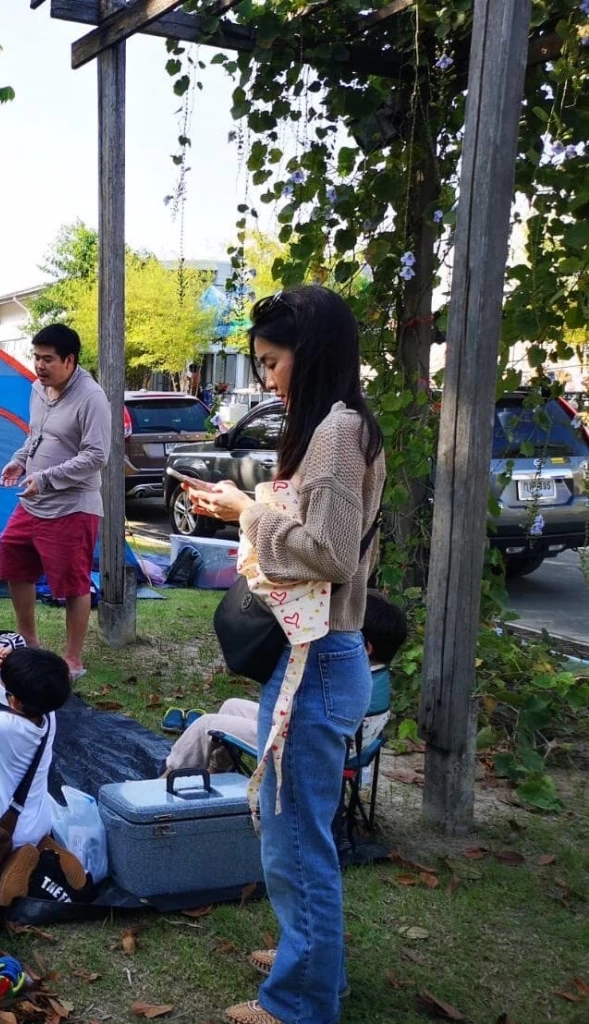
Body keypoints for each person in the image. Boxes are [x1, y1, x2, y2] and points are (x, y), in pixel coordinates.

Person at [185, 286, 386, 1024]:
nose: (267, 379)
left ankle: (301, 1000)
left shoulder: (334, 432)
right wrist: (248, 510)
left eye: (272, 363)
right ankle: (312, 958)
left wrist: (249, 513)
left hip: (318, 662)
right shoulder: (346, 425)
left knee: (295, 838)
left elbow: (329, 555)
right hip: (320, 658)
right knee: (296, 829)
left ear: (312, 352)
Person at [162, 591, 408, 775]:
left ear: (365, 647)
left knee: (206, 724)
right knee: (232, 705)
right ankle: (217, 776)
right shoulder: (376, 678)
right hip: (309, 735)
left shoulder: (349, 684)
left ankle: (166, 780)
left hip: (299, 748)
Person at [0, 323, 110, 679]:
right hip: (33, 501)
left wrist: (46, 478)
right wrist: (20, 459)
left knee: (72, 582)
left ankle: (73, 659)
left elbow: (96, 455)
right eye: (36, 357)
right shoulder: (38, 389)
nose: (39, 366)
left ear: (69, 360)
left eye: (47, 359)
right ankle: (29, 641)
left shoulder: (91, 398)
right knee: (12, 554)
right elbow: (37, 434)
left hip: (72, 506)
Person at [0, 643, 82, 906]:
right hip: (39, 819)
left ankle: (11, 861)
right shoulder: (48, 715)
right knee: (32, 830)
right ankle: (43, 846)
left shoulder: (2, 727)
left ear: (16, 701)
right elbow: (15, 697)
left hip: (0, 829)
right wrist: (5, 669)